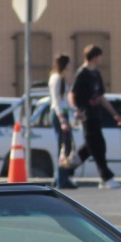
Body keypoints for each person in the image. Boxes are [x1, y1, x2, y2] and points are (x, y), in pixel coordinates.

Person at [68, 45, 121, 189]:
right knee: (98, 146)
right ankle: (106, 177)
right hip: (86, 116)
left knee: (89, 148)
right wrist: (76, 109)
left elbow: (100, 97)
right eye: (100, 56)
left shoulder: (96, 74)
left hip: (96, 113)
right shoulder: (82, 73)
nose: (101, 59)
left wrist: (115, 114)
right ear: (94, 57)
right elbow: (72, 94)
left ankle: (66, 171)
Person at [48, 54, 77, 190]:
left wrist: (73, 112)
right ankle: (61, 179)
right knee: (63, 146)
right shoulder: (56, 78)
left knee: (67, 146)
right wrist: (62, 119)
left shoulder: (62, 78)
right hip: (59, 114)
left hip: (64, 113)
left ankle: (61, 177)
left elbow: (65, 100)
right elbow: (57, 100)